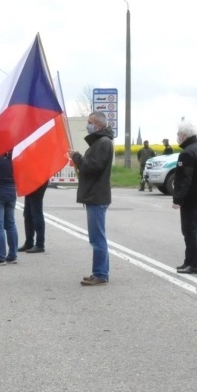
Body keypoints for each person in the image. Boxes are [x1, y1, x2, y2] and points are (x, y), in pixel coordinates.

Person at [69, 112, 113, 286]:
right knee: (97, 237)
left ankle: (100, 273)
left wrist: (77, 157)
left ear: (99, 125)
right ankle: (101, 271)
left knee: (97, 238)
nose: (88, 125)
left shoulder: (102, 143)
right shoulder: (101, 142)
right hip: (94, 194)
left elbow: (93, 166)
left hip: (97, 195)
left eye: (90, 122)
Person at [170, 120, 197, 274]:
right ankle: (189, 261)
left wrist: (177, 199)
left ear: (185, 136)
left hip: (191, 197)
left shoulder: (187, 153)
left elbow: (185, 178)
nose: (177, 137)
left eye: (179, 134)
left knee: (189, 230)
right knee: (191, 229)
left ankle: (195, 264)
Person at [21, 179, 47, 254]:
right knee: (28, 213)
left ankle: (40, 244)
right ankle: (29, 242)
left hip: (37, 181)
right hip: (30, 180)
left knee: (36, 213)